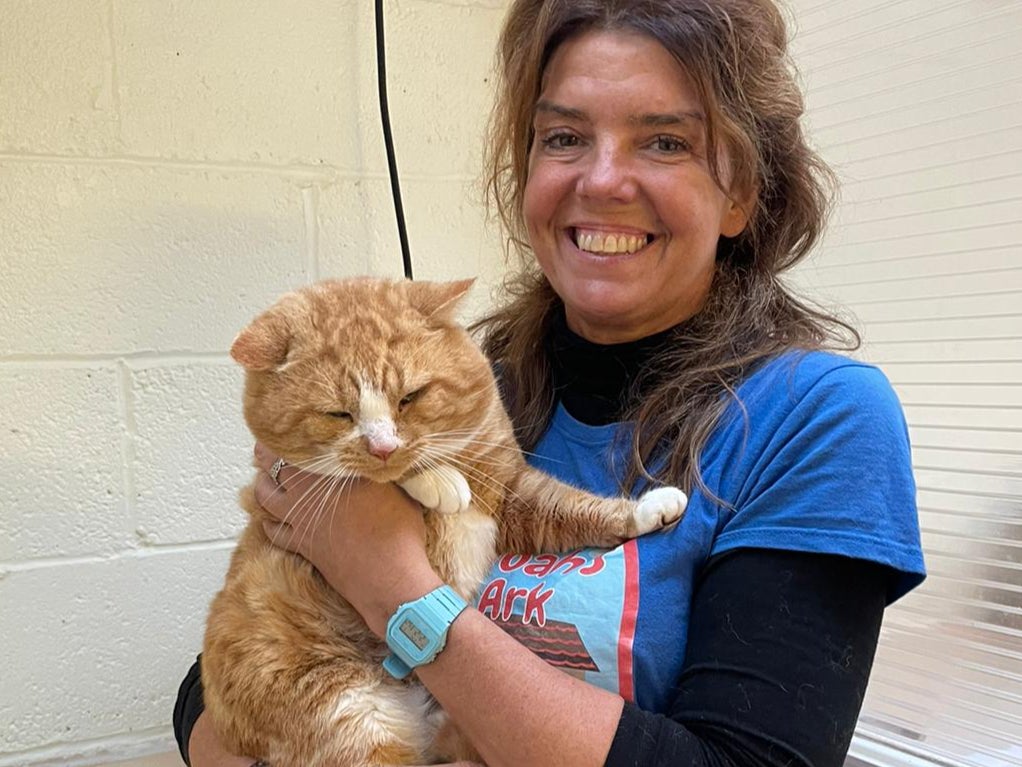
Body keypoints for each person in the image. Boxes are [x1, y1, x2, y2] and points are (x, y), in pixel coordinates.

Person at [174, 0, 926, 765]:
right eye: (564, 137)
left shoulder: (816, 419)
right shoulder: (454, 392)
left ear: (740, 193)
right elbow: (222, 681)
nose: (601, 180)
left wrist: (393, 585)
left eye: (665, 141)